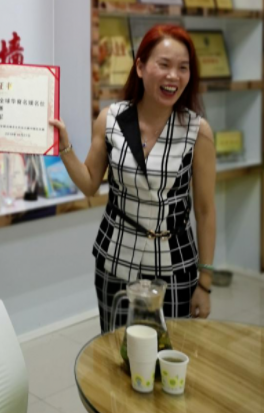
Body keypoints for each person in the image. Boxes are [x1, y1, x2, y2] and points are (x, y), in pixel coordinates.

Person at [51, 25, 216, 332]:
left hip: (174, 266)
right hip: (116, 261)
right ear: (140, 67)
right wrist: (64, 147)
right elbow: (89, 183)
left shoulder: (197, 131)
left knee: (168, 351)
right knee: (115, 349)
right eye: (164, 64)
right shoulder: (111, 119)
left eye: (183, 68)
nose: (173, 76)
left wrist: (204, 282)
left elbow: (206, 212)